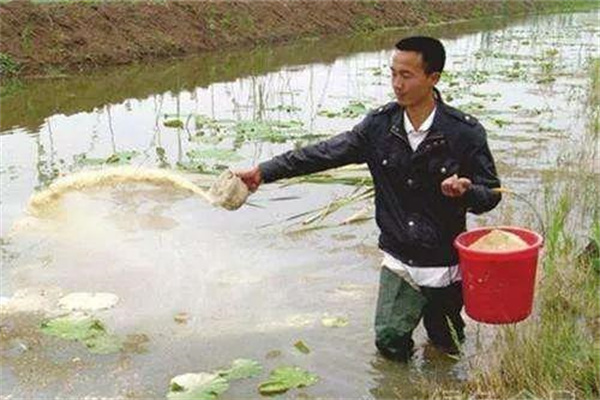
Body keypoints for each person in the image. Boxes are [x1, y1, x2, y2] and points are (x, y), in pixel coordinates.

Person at [235, 36, 501, 361]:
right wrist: (264, 171)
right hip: (399, 257)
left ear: (433, 78)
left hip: (444, 263)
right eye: (393, 74)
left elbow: (491, 194)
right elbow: (324, 153)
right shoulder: (379, 126)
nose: (397, 84)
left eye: (407, 75)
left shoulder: (465, 133)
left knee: (446, 344)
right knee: (389, 342)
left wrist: (467, 191)